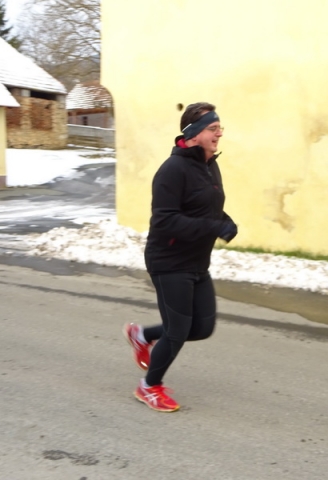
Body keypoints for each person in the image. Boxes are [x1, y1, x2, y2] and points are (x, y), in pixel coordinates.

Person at [123, 102, 237, 412]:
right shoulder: (172, 170)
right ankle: (149, 387)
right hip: (169, 261)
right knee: (177, 330)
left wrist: (224, 221)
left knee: (202, 328)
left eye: (219, 128)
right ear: (194, 133)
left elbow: (205, 206)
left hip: (197, 262)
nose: (219, 134)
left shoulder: (209, 164)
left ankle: (142, 335)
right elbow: (165, 220)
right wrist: (214, 227)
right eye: (213, 128)